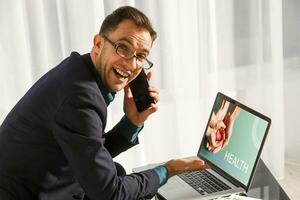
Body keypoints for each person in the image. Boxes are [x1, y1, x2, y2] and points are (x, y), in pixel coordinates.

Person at [0, 6, 209, 200]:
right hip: (28, 194)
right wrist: (167, 170)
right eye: (123, 48)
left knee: (119, 172)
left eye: (140, 56)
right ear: (98, 44)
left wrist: (132, 123)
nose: (131, 64)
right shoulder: (80, 96)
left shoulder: (78, 70)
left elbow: (87, 153)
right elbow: (108, 193)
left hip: (47, 181)